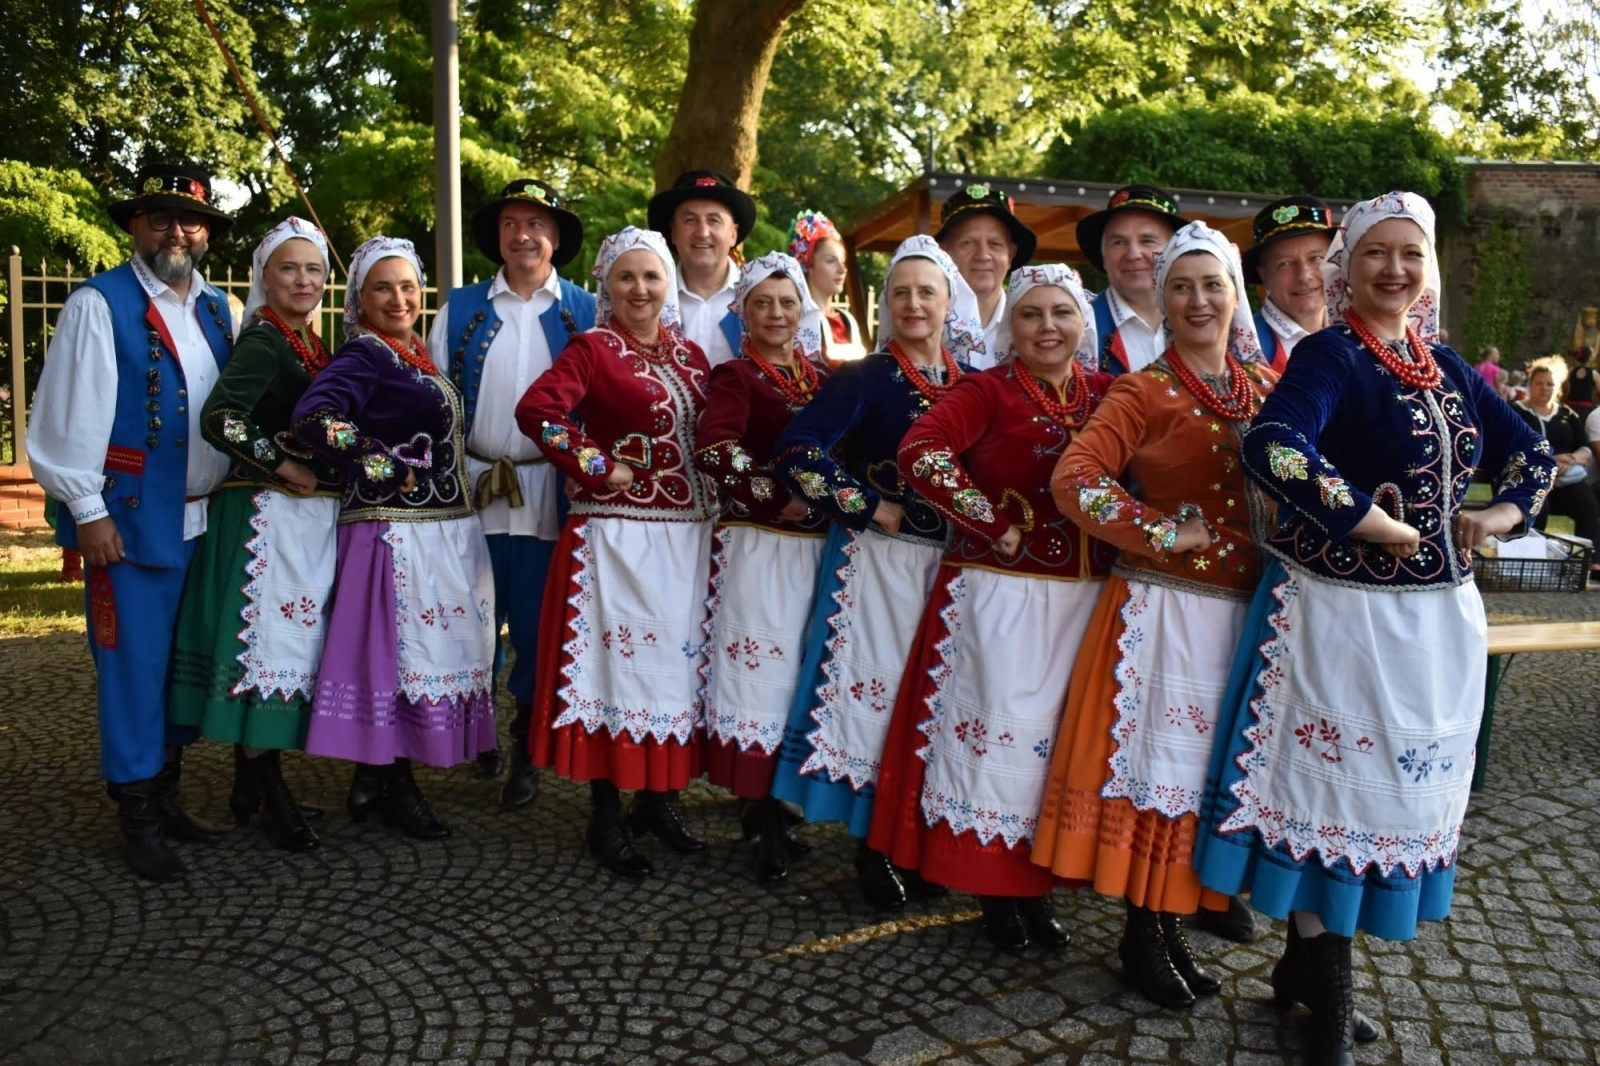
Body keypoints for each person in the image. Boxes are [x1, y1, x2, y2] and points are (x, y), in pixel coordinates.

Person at [1195, 192, 1555, 1066]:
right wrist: (1359, 515)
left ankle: (1301, 972)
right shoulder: (1330, 356)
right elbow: (1273, 444)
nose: (1394, 270)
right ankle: (1329, 992)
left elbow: (1533, 451)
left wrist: (1505, 512)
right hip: (1343, 618)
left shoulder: (1449, 366)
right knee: (1335, 795)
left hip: (1437, 625)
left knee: (1396, 794)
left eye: (1411, 255)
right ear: (1344, 268)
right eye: (1376, 254)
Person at [1030, 222, 1276, 1009]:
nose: (1198, 299)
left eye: (1213, 284)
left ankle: (1179, 919)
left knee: (1207, 777)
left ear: (1237, 295)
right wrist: (1162, 532)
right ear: (1160, 302)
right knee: (1160, 774)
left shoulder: (1268, 386)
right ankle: (1145, 933)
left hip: (1252, 613)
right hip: (1170, 613)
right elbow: (1077, 479)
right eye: (1181, 286)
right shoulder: (1142, 389)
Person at [868, 264, 1115, 952]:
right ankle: (995, 893)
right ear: (1011, 326)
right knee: (999, 739)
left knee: (1054, 754)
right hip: (1002, 593)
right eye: (1032, 314)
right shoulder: (989, 388)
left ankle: (1037, 887)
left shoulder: (1106, 393)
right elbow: (922, 450)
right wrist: (987, 520)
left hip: (1086, 597)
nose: (1047, 327)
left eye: (1062, 313)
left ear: (1081, 324)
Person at [27, 163, 235, 882]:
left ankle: (168, 793)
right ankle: (137, 815)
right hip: (131, 524)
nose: (177, 232)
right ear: (135, 227)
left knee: (180, 666)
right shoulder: (98, 304)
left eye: (191, 220)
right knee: (134, 669)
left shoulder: (218, 308)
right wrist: (88, 510)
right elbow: (65, 418)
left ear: (206, 232)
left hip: (205, 523)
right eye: (160, 218)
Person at [769, 235, 984, 910]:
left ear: (951, 303)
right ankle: (872, 846)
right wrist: (868, 505)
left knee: (939, 703)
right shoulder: (862, 377)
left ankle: (919, 838)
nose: (914, 303)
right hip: (880, 565)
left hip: (957, 568)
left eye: (927, 291)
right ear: (885, 303)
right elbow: (795, 452)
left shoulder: (974, 383)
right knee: (879, 694)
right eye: (901, 292)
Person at [514, 226, 717, 879]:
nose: (640, 289)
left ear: (668, 286)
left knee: (671, 673)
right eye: (626, 277)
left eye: (652, 277)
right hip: (616, 538)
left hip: (684, 538)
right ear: (607, 285)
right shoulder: (594, 349)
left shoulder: (691, 357)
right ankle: (606, 815)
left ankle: (657, 801)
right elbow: (540, 410)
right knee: (613, 674)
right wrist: (597, 465)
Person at [291, 237, 496, 840]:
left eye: (408, 286)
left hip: (438, 530)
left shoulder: (414, 354)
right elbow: (314, 416)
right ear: (360, 297)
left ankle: (375, 777)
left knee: (416, 656)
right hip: (393, 532)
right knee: (398, 660)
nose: (399, 297)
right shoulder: (368, 355)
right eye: (383, 287)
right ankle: (395, 782)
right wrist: (380, 464)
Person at [167, 217, 337, 854]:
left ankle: (251, 783)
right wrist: (282, 462)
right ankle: (267, 785)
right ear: (265, 276)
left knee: (284, 648)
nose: (303, 279)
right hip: (264, 515)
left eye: (314, 269)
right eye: (289, 268)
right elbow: (220, 417)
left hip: (296, 518)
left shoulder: (304, 341)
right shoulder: (268, 340)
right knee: (272, 648)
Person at [429, 179, 597, 805]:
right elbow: (434, 397)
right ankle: (479, 737)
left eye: (537, 223)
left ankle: (528, 746)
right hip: (473, 483)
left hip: (550, 490)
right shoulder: (462, 307)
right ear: (497, 235)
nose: (523, 234)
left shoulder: (585, 311)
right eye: (511, 223)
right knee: (472, 620)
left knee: (535, 623)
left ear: (556, 237)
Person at [695, 252, 831, 881]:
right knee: (762, 672)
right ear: (742, 313)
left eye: (786, 302)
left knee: (803, 668)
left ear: (802, 308)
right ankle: (759, 807)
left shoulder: (824, 377)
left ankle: (779, 795)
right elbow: (715, 450)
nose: (777, 314)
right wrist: (779, 498)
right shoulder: (734, 376)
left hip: (817, 548)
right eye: (762, 303)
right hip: (759, 543)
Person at [647, 169, 757, 368]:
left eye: (714, 220)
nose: (702, 232)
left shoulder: (757, 296)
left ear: (733, 234)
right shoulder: (649, 297)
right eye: (690, 220)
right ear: (673, 232)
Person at [1076, 184, 1186, 375]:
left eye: (1147, 241)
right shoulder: (1077, 325)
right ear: (1103, 255)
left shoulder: (1200, 320)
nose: (1133, 254)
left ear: (1175, 252)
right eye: (1119, 242)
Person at [935, 183, 1038, 367]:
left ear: (1011, 254)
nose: (983, 255)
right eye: (967, 243)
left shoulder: (1034, 326)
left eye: (995, 244)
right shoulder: (924, 323)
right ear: (944, 252)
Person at [1243, 196, 1339, 375]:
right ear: (1264, 275)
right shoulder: (1243, 348)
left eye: (1316, 259)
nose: (1304, 276)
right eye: (1285, 264)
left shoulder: (1358, 334)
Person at [1513, 362, 1599, 554]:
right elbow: (1510, 447)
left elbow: (1585, 448)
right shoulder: (1517, 412)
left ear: (1556, 387)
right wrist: (1549, 460)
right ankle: (1532, 560)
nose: (1545, 388)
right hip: (1530, 477)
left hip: (1565, 478)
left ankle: (1589, 563)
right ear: (1530, 385)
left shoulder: (1568, 415)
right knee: (1537, 506)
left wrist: (1571, 458)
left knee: (1588, 505)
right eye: (1539, 383)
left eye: (1550, 384)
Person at [788, 211, 868, 363]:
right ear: (808, 265)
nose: (842, 269)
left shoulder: (847, 320)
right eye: (831, 261)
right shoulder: (797, 320)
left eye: (843, 261)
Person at [1564, 345, 1595, 418]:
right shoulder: (1594, 374)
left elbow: (1565, 388)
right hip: (1586, 411)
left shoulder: (1570, 371)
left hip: (1569, 408)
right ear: (1590, 358)